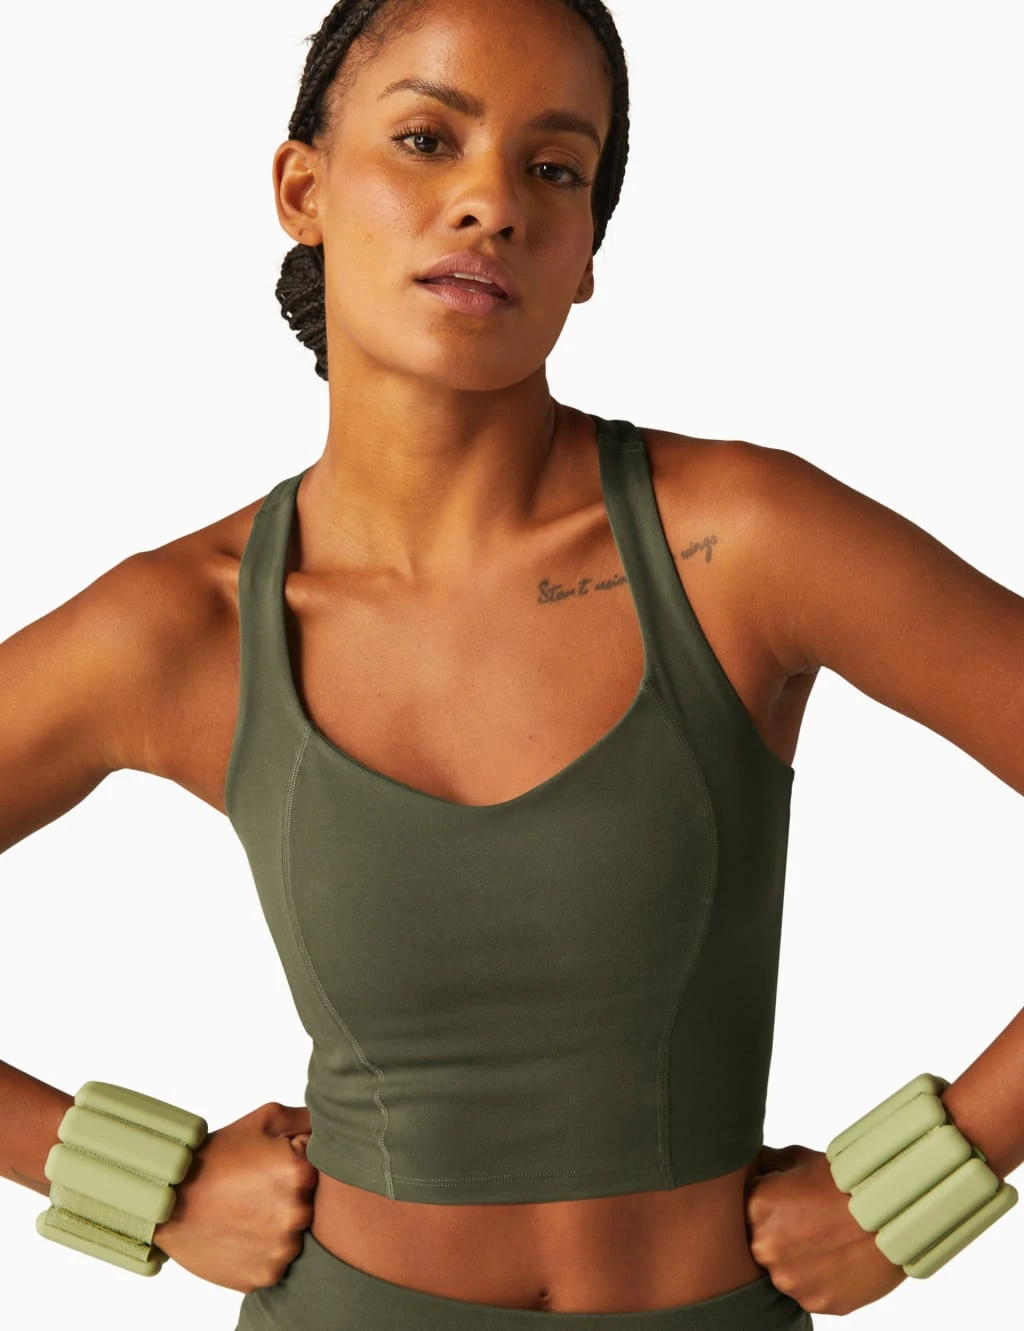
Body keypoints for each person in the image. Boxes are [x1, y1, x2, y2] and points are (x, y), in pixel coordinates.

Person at [2, 1, 1021, 1328]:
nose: (492, 204)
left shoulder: (739, 542)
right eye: (428, 139)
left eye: (554, 167)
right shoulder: (181, 627)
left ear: (587, 250)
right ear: (302, 190)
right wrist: (139, 1182)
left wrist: (929, 1177)